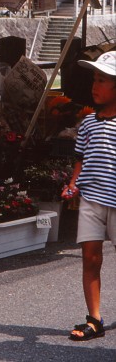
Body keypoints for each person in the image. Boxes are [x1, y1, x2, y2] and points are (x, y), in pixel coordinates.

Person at [61, 50, 116, 342]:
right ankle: (94, 319)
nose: (95, 86)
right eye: (95, 79)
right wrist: (73, 184)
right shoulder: (88, 124)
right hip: (92, 199)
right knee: (90, 257)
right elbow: (81, 159)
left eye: (103, 80)